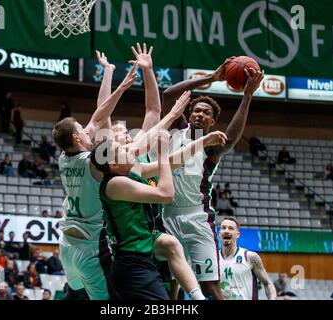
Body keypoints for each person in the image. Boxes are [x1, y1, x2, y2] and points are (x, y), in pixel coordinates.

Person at [160, 56, 264, 299]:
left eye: (206, 113)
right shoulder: (177, 130)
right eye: (196, 110)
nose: (199, 115)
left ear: (213, 121)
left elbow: (232, 137)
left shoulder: (213, 146)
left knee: (209, 287)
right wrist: (211, 78)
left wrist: (247, 96)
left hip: (197, 217)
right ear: (189, 113)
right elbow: (167, 96)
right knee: (171, 284)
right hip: (166, 214)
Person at [92, 130, 223, 300]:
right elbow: (166, 194)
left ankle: (198, 297)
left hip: (145, 247)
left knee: (170, 244)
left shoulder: (131, 171)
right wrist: (162, 153)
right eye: (122, 150)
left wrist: (204, 141)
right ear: (113, 163)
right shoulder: (116, 184)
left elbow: (172, 161)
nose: (128, 149)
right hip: (131, 264)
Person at [52, 57, 137, 300]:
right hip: (90, 247)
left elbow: (99, 115)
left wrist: (109, 72)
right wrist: (121, 88)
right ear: (77, 138)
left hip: (67, 246)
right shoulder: (93, 160)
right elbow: (101, 118)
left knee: (75, 295)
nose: (86, 128)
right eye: (82, 128)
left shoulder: (63, 156)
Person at [218, 216, 276, 300]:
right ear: (219, 233)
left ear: (238, 234)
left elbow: (268, 284)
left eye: (230, 228)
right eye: (223, 228)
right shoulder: (214, 259)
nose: (226, 231)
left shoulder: (250, 257)